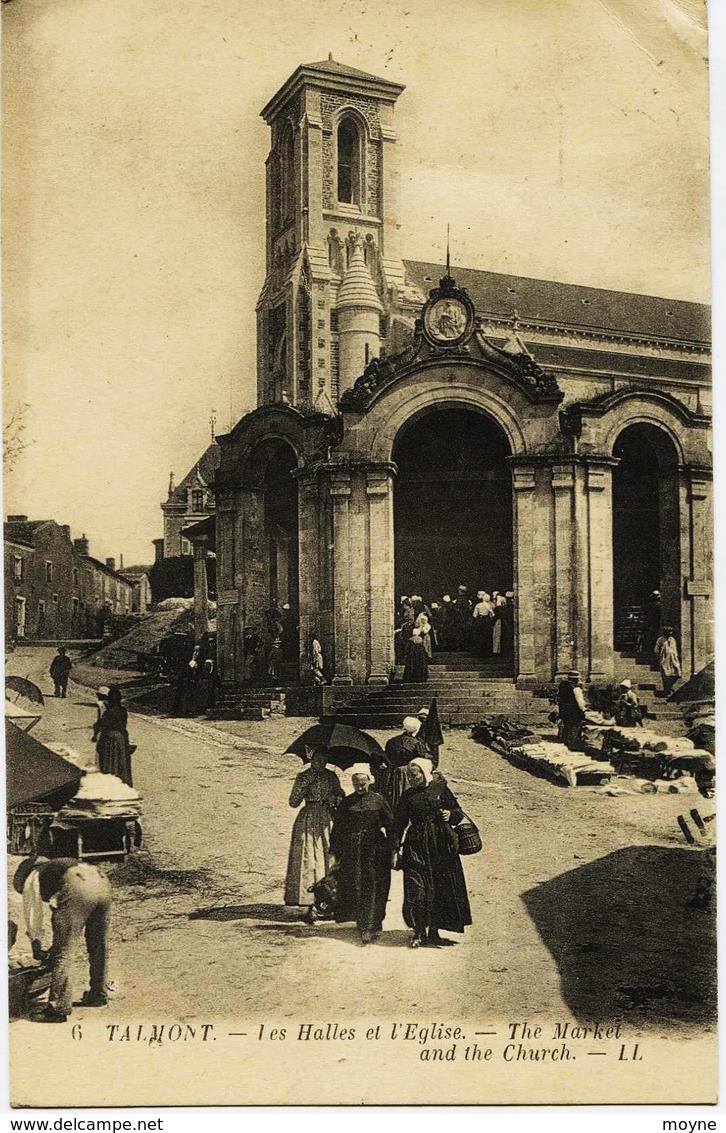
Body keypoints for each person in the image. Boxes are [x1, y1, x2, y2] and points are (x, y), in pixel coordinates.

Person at [13, 853, 112, 1022]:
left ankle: (58, 1008)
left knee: (64, 952)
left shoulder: (33, 876)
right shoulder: (57, 867)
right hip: (101, 881)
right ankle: (98, 994)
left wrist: (36, 945)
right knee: (98, 945)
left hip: (76, 885)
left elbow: (33, 914)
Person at [393, 758, 472, 949]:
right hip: (416, 845)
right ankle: (419, 931)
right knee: (416, 889)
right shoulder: (407, 796)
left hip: (440, 844)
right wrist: (395, 849)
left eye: (415, 775)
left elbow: (458, 811)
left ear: (425, 773)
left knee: (440, 888)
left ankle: (434, 932)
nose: (411, 779)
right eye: (409, 776)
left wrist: (450, 815)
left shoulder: (440, 790)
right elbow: (398, 824)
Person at [330, 768, 394, 945]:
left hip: (375, 849)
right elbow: (338, 829)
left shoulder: (378, 800)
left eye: (363, 782)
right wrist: (334, 852)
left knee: (375, 885)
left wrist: (393, 849)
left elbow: (390, 826)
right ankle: (362, 922)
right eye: (356, 782)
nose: (359, 785)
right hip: (353, 850)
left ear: (370, 781)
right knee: (357, 884)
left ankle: (372, 924)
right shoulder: (347, 802)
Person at [284, 749, 344, 922]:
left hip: (327, 818)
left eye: (325, 758)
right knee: (308, 859)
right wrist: (306, 783)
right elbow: (293, 801)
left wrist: (336, 798)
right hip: (308, 818)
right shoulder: (303, 776)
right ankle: (310, 904)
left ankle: (328, 902)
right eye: (318, 758)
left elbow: (341, 795)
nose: (322, 762)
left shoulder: (331, 776)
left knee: (328, 858)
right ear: (311, 759)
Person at [378, 717, 428, 809]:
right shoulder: (417, 743)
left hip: (391, 772)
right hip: (408, 772)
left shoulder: (392, 741)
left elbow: (386, 756)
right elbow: (421, 761)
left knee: (392, 796)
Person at [95, 686, 133, 786]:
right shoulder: (123, 710)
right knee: (121, 763)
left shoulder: (108, 712)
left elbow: (103, 725)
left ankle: (109, 785)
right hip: (122, 739)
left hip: (109, 738)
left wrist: (96, 731)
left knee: (108, 763)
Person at [557, 670, 586, 751]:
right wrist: (584, 710)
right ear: (576, 679)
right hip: (574, 710)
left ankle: (565, 739)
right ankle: (572, 742)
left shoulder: (562, 685)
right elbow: (580, 702)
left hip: (564, 709)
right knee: (574, 726)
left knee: (566, 724)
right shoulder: (576, 688)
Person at [654, 627, 681, 695]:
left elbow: (674, 649)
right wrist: (660, 657)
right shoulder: (660, 640)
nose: (670, 633)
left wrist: (675, 657)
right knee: (666, 675)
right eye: (668, 632)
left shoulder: (673, 639)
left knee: (677, 673)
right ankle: (666, 690)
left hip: (673, 659)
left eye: (671, 632)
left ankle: (669, 687)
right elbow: (656, 650)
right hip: (664, 660)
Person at [472, 591, 494, 657]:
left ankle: (479, 652)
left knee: (479, 636)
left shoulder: (478, 605)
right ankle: (487, 651)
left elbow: (474, 615)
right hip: (487, 621)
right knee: (487, 636)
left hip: (480, 620)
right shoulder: (491, 605)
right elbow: (492, 615)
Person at [452, 585, 472, 651]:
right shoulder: (467, 599)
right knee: (465, 633)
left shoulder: (459, 599)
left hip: (459, 619)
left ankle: (459, 647)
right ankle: (465, 647)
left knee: (459, 633)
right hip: (465, 619)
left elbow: (456, 609)